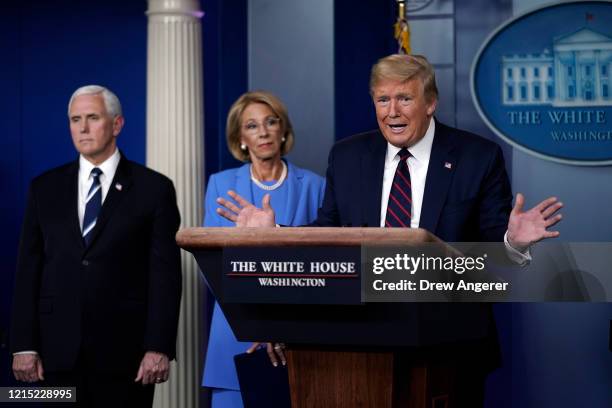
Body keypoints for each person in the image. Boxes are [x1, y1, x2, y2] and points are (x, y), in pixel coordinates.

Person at [215, 55, 563, 406]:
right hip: (355, 340)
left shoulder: (478, 157)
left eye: (404, 98)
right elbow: (328, 234)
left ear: (430, 102)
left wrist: (512, 242)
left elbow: (492, 255)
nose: (391, 111)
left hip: (449, 345)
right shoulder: (348, 156)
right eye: (383, 99)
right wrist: (274, 231)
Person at [10, 85, 182, 407]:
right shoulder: (44, 188)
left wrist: (158, 346)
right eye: (75, 119)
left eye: (92, 117)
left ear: (116, 124)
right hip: (54, 353)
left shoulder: (154, 189)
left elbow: (165, 275)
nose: (83, 128)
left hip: (126, 356)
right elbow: (28, 269)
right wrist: (23, 344)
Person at [202, 91, 325, 407]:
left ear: (283, 130)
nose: (264, 131)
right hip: (234, 336)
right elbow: (212, 269)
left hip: (295, 339)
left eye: (271, 122)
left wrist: (279, 326)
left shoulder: (314, 186)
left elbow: (320, 265)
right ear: (240, 138)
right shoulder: (220, 185)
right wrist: (258, 323)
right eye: (252, 125)